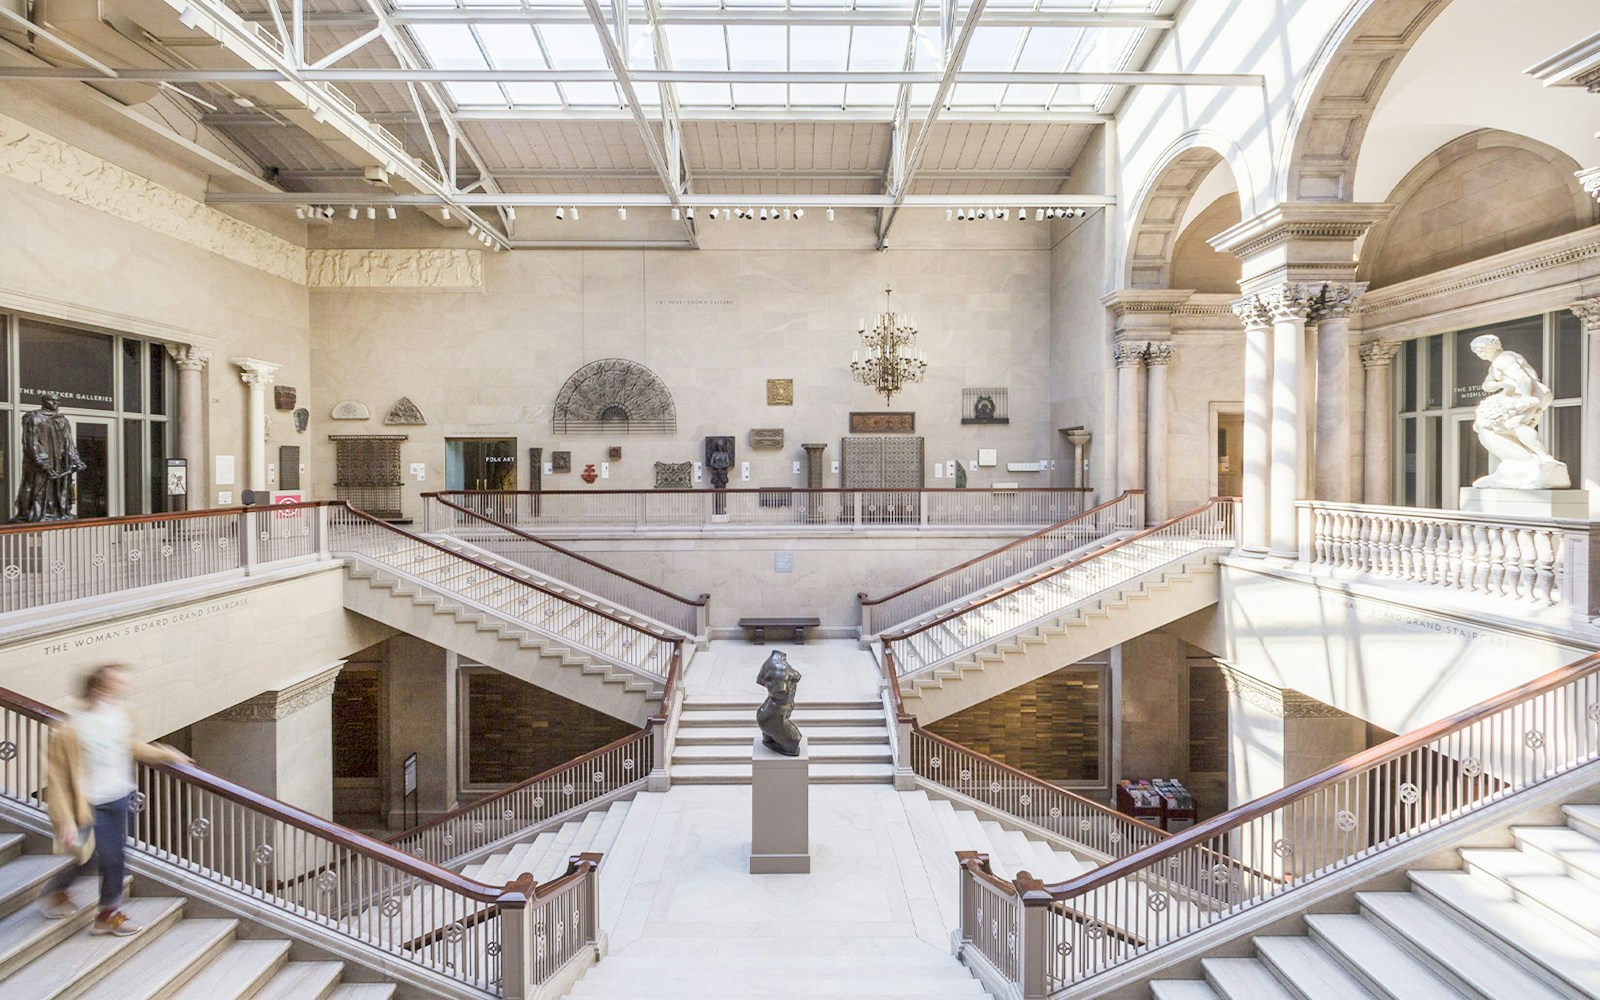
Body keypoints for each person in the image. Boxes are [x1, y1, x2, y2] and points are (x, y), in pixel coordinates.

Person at [41, 664, 188, 935]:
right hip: (88, 805)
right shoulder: (68, 729)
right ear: (99, 687)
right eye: (119, 682)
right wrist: (64, 820)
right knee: (104, 857)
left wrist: (166, 754)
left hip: (120, 797)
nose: (126, 687)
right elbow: (58, 778)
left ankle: (59, 892)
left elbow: (131, 746)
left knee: (102, 857)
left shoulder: (121, 714)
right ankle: (107, 913)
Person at [1468, 334, 1570, 490]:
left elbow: (1524, 379)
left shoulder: (1504, 358)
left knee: (1514, 424)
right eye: (1476, 351)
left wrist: (1526, 398)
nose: (1479, 354)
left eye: (1481, 350)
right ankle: (1530, 461)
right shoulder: (1496, 363)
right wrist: (1498, 384)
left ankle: (1544, 458)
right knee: (1504, 427)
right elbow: (1488, 383)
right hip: (1527, 394)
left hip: (1534, 393)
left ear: (1492, 347)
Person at [14, 394, 87, 523]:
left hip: (60, 462)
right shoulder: (34, 418)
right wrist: (42, 462)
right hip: (39, 463)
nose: (55, 402)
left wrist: (77, 460)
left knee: (59, 489)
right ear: (43, 401)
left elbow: (69, 443)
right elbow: (31, 443)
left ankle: (59, 512)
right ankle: (33, 513)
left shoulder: (62, 420)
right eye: (51, 400)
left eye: (57, 400)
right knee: (37, 488)